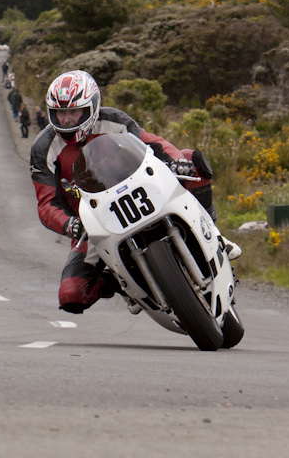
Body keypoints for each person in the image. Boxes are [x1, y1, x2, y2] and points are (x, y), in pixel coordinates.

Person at [29, 69, 240, 315]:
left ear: (91, 107)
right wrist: (70, 225)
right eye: (60, 113)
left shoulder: (114, 120)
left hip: (140, 190)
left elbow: (154, 143)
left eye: (73, 112)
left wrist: (176, 161)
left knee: (192, 160)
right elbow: (46, 205)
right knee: (71, 294)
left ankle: (214, 235)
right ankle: (122, 283)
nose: (66, 120)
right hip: (93, 222)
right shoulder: (43, 148)